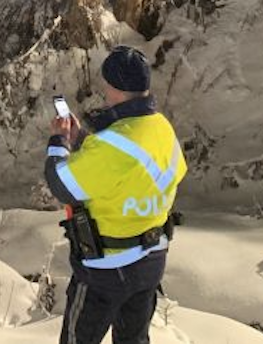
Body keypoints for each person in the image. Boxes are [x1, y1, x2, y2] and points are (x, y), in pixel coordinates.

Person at [44, 46, 188, 344]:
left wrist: (59, 141)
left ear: (116, 89)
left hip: (106, 269)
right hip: (151, 260)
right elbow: (127, 168)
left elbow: (61, 184)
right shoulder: (161, 128)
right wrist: (82, 140)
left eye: (106, 84)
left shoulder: (113, 145)